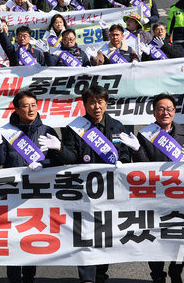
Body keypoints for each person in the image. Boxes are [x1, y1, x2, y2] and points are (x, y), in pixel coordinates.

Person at [54, 86, 131, 283]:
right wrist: (60, 149)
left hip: (109, 191)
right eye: (92, 102)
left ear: (106, 103)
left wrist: (124, 160)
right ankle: (87, 278)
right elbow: (71, 157)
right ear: (85, 104)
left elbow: (124, 154)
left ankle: (100, 273)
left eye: (100, 102)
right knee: (85, 236)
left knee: (105, 235)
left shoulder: (117, 126)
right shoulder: (74, 128)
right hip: (84, 192)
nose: (96, 106)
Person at [0, 90, 61, 283]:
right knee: (12, 239)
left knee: (30, 237)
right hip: (11, 194)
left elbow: (58, 162)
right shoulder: (6, 131)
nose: (30, 109)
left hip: (36, 195)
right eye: (26, 106)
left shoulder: (47, 131)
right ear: (17, 109)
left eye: (33, 105)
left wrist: (44, 163)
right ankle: (13, 278)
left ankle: (29, 277)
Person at [130, 94, 184, 283]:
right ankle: (157, 274)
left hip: (180, 196)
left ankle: (176, 271)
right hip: (155, 196)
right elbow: (141, 167)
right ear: (154, 112)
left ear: (174, 112)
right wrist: (136, 150)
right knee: (155, 238)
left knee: (180, 236)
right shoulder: (145, 135)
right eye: (161, 108)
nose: (165, 112)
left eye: (169, 109)